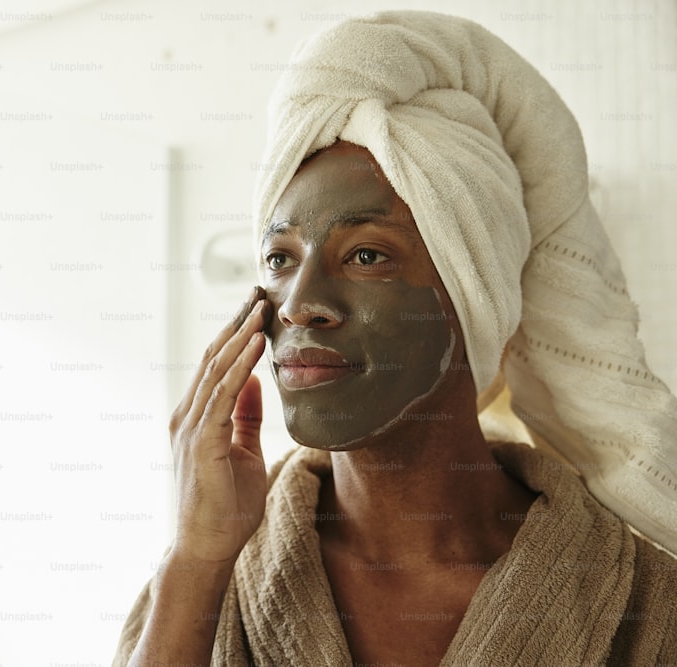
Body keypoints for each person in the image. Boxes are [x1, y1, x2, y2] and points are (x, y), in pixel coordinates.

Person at [114, 11, 677, 667]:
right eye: (279, 259)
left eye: (366, 256)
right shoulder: (205, 587)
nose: (299, 306)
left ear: (474, 295)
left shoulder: (643, 602)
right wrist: (195, 556)